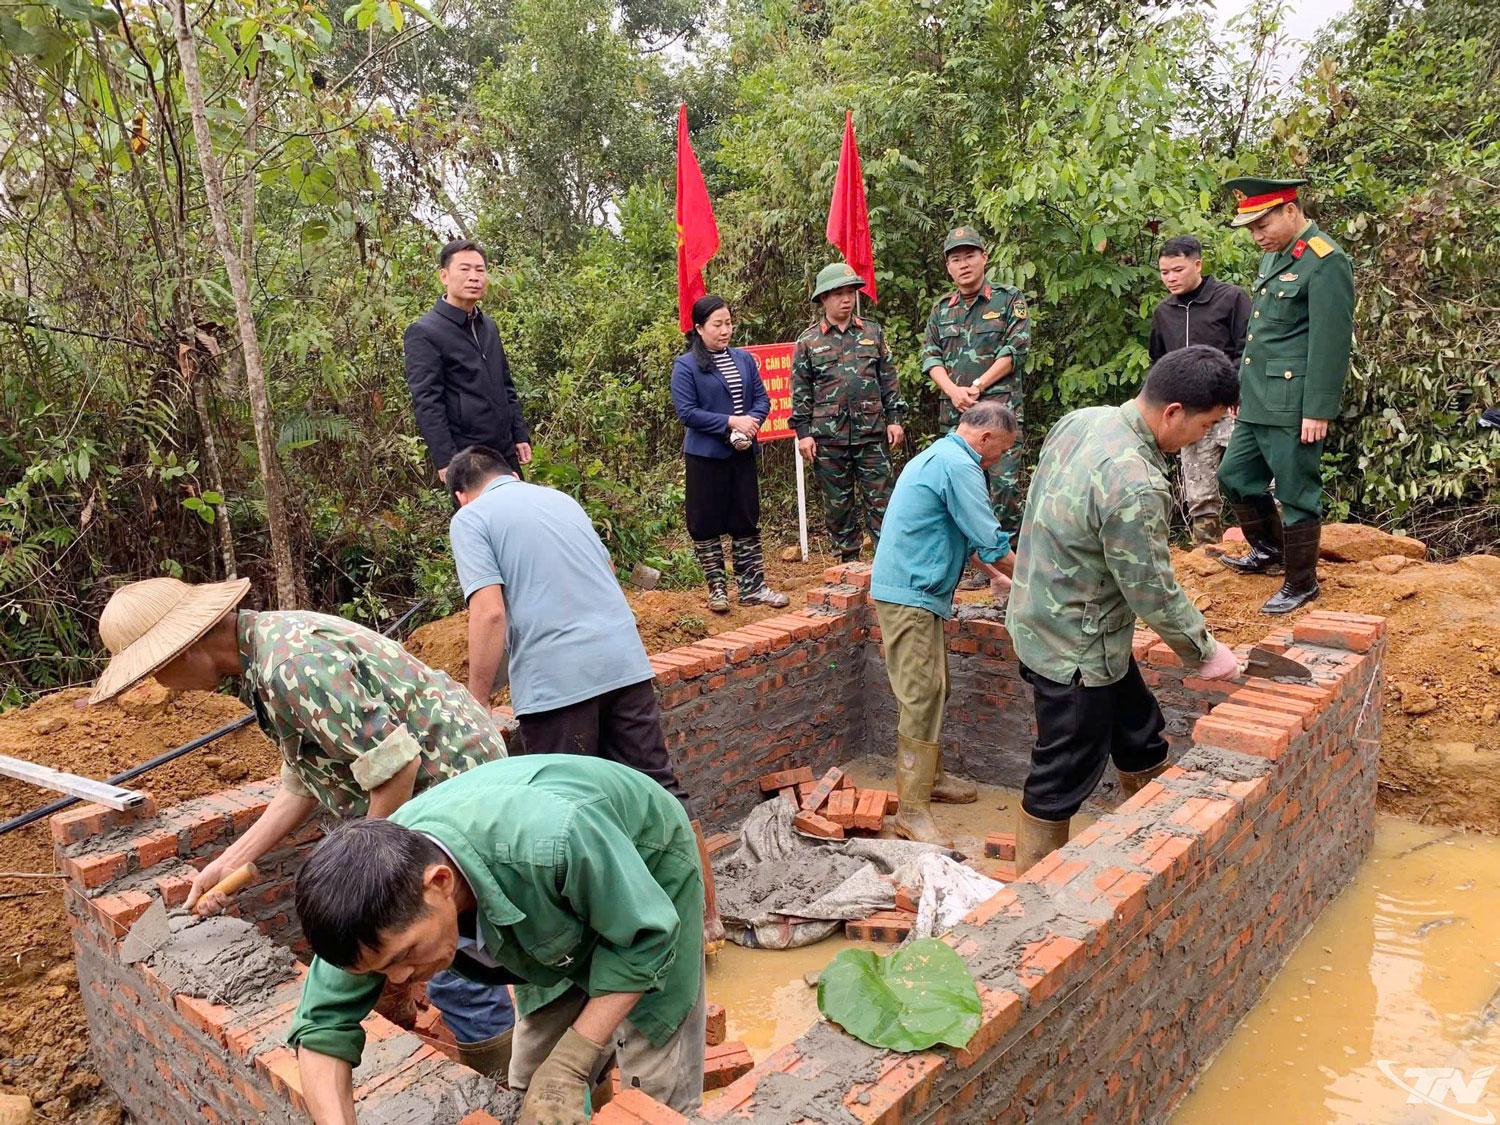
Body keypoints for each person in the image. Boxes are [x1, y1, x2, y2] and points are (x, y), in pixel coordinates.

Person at [86, 577, 517, 1075]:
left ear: (185, 652)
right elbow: (303, 782)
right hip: (432, 790)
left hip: (456, 792)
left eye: (158, 673)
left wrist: (364, 877)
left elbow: (397, 770)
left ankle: (503, 1084)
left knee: (438, 946)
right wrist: (229, 860)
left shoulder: (291, 667)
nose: (163, 687)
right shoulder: (264, 661)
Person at [286, 756, 706, 1123]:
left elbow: (646, 939)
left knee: (652, 1086)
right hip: (549, 908)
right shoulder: (363, 904)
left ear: (439, 883)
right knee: (532, 1084)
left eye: (407, 955)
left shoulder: (551, 842)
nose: (398, 979)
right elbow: (322, 1030)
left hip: (642, 864)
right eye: (382, 969)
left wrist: (573, 1060)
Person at [446, 444, 724, 949]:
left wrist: (478, 698)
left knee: (567, 813)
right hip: (623, 662)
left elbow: (489, 612)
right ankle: (706, 924)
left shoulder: (472, 520)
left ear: (463, 494)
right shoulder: (559, 500)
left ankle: (599, 946)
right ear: (510, 473)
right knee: (659, 791)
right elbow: (597, 576)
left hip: (558, 686)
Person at [1006, 346, 1245, 876]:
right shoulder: (1135, 481)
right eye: (1204, 427)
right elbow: (1151, 589)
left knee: (1138, 729)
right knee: (1063, 769)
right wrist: (1203, 652)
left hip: (1047, 616)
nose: (1202, 439)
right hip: (1074, 647)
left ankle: (1154, 842)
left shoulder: (1082, 421)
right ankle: (1027, 898)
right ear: (1174, 412)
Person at [868, 401, 1017, 846]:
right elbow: (990, 538)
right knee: (921, 695)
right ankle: (911, 813)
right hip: (910, 593)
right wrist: (1038, 581)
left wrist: (999, 576)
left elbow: (966, 537)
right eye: (1001, 451)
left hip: (919, 592)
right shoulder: (959, 465)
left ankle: (930, 778)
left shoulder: (942, 456)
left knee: (935, 688)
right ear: (985, 437)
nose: (1000, 460)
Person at [1216, 176, 1356, 614]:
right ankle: (1269, 551)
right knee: (1235, 477)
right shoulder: (1276, 257)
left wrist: (1318, 408)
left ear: (1290, 210)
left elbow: (1331, 343)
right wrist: (1239, 387)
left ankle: (1301, 582)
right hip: (1258, 396)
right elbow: (1262, 337)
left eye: (1262, 225)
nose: (1257, 236)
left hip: (1294, 404)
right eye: (1251, 229)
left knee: (1296, 492)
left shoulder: (1325, 261)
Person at [669, 295, 789, 613]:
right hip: (706, 457)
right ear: (699, 328)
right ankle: (718, 590)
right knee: (706, 522)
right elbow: (687, 413)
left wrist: (750, 424)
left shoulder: (744, 360)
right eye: (717, 324)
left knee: (746, 519)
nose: (725, 331)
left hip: (742, 452)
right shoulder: (686, 366)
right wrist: (730, 422)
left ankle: (753, 587)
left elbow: (761, 400)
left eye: (728, 323)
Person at [920, 226, 1032, 550]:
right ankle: (976, 562)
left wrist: (978, 385)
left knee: (1005, 488)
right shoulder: (941, 309)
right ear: (948, 267)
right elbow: (930, 357)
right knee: (964, 489)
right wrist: (954, 391)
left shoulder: (1009, 299)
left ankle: (1010, 562)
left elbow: (1015, 350)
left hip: (999, 417)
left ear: (984, 257)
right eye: (956, 259)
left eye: (970, 256)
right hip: (958, 416)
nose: (964, 264)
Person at [790, 262, 907, 562]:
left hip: (871, 434)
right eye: (838, 293)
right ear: (823, 299)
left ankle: (888, 561)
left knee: (882, 499)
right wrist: (803, 434)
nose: (846, 299)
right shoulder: (808, 341)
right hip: (829, 438)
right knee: (838, 503)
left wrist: (895, 420)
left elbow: (888, 379)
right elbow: (801, 390)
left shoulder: (872, 332)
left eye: (850, 292)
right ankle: (848, 561)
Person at [1148, 234, 1251, 544]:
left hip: (1231, 407)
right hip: (1188, 414)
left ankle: (1268, 544)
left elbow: (1249, 350)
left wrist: (1236, 392)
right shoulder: (1164, 312)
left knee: (1248, 478)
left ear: (1197, 264)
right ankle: (1205, 556)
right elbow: (1159, 362)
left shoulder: (1231, 298)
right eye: (1164, 272)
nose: (1170, 278)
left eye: (1177, 270)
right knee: (1199, 490)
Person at [404, 239, 533, 484]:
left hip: (505, 450)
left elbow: (505, 384)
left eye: (480, 270)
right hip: (467, 456)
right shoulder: (425, 332)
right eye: (464, 269)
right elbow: (427, 401)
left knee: (516, 517)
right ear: (444, 275)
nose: (474, 277)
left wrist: (519, 434)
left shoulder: (488, 326)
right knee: (479, 520)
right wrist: (445, 459)